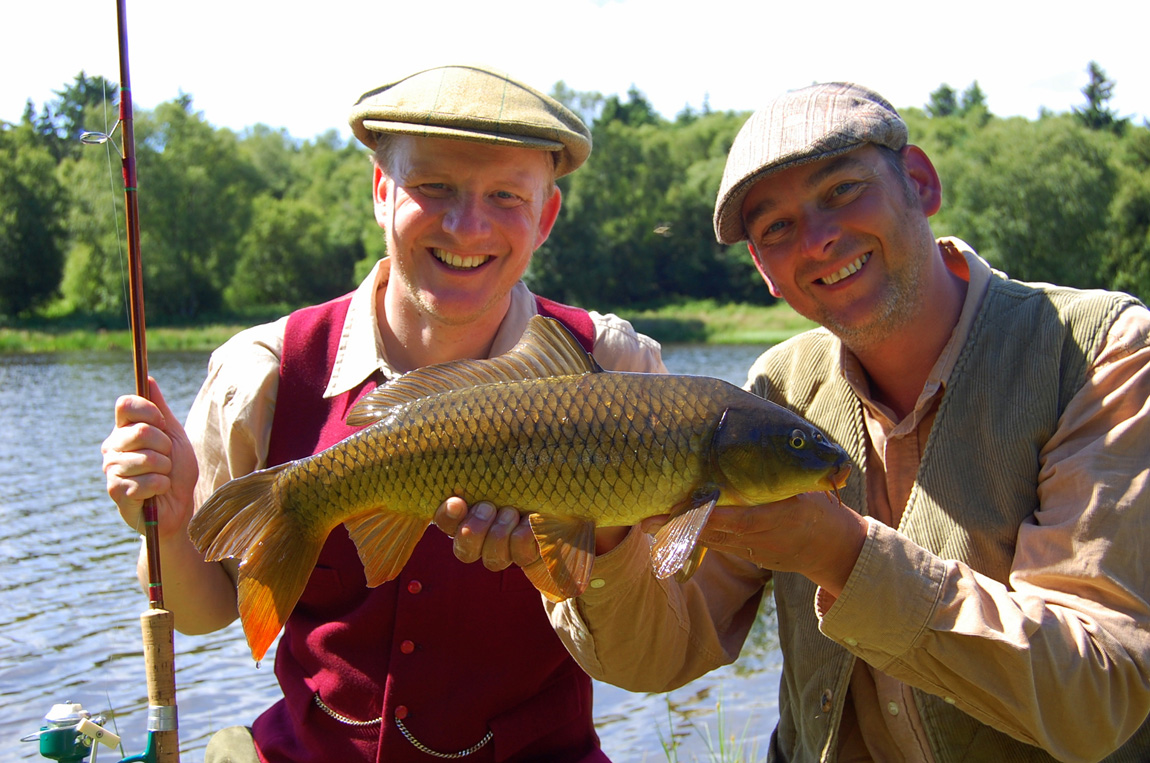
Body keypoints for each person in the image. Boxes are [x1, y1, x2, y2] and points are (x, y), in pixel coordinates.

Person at [445, 82, 1150, 761]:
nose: (817, 238)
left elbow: (1098, 698)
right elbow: (657, 653)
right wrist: (605, 540)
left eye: (843, 190)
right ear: (764, 270)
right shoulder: (777, 392)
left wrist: (840, 554)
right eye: (777, 227)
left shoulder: (1100, 351)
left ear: (921, 183)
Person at [101, 64, 665, 763]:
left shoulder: (616, 365)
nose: (468, 224)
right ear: (380, 190)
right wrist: (174, 522)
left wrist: (598, 544)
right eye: (433, 187)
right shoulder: (265, 369)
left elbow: (660, 639)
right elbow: (208, 609)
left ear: (546, 217)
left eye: (505, 196)